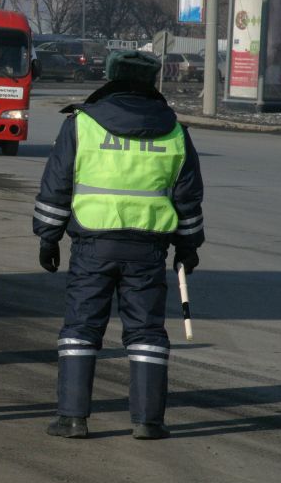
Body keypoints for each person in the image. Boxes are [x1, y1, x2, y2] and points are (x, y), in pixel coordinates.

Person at [33, 50, 204, 440]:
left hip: (94, 244)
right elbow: (188, 197)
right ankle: (148, 421)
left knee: (80, 328)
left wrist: (48, 236)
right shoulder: (176, 131)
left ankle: (73, 418)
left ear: (110, 77)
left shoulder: (84, 124)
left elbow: (57, 184)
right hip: (148, 248)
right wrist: (188, 246)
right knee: (146, 332)